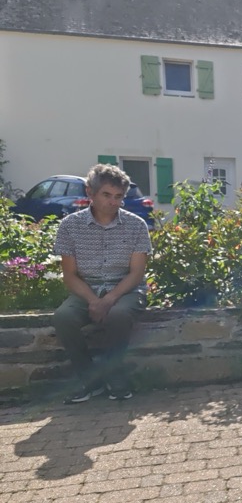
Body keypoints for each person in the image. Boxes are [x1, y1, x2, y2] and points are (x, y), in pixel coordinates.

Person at [51, 163, 152, 403]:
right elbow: (70, 275)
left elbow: (136, 273)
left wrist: (108, 300)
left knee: (118, 315)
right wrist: (93, 300)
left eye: (118, 196)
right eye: (106, 195)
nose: (113, 202)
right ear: (90, 192)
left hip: (126, 289)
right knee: (63, 317)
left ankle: (115, 378)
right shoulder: (70, 226)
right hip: (86, 289)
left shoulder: (136, 225)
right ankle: (89, 380)